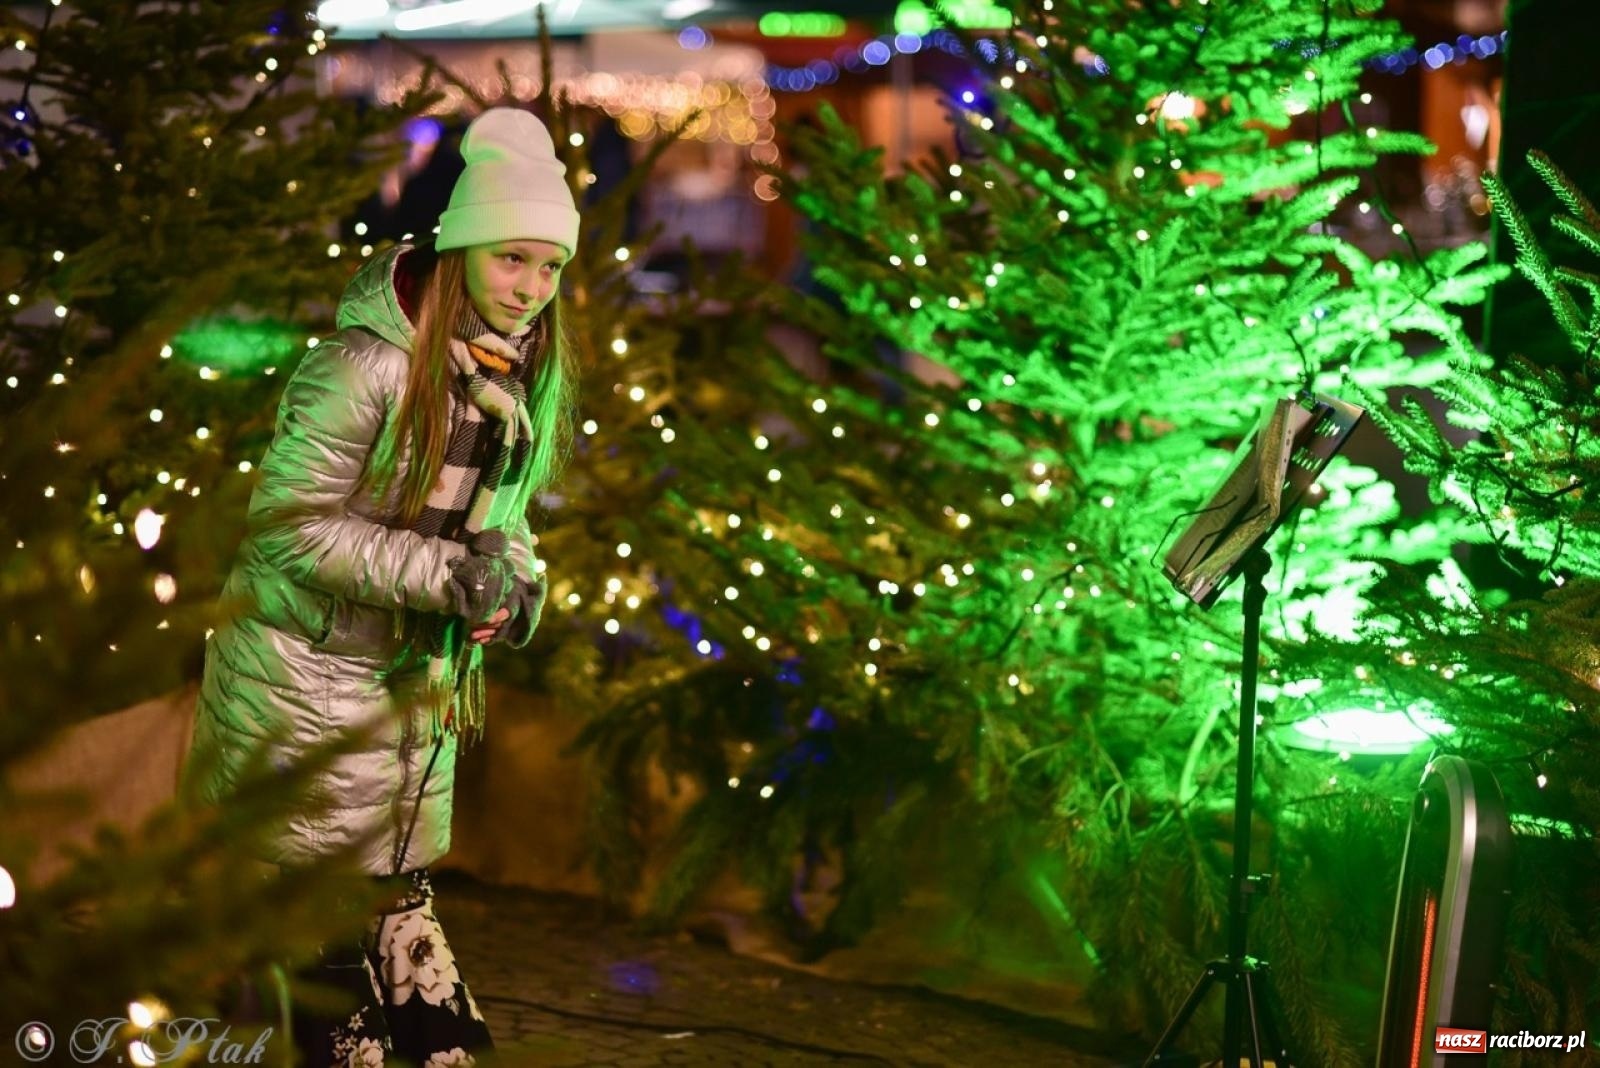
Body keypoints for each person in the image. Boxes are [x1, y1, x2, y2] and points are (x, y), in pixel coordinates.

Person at [186, 107, 579, 1067]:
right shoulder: (363, 368)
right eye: (510, 260)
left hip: (404, 692)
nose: (529, 289)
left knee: (393, 899)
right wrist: (450, 578)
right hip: (304, 682)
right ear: (461, 253)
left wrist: (514, 584)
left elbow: (504, 523)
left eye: (549, 266)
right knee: (325, 926)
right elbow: (291, 526)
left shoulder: (509, 378)